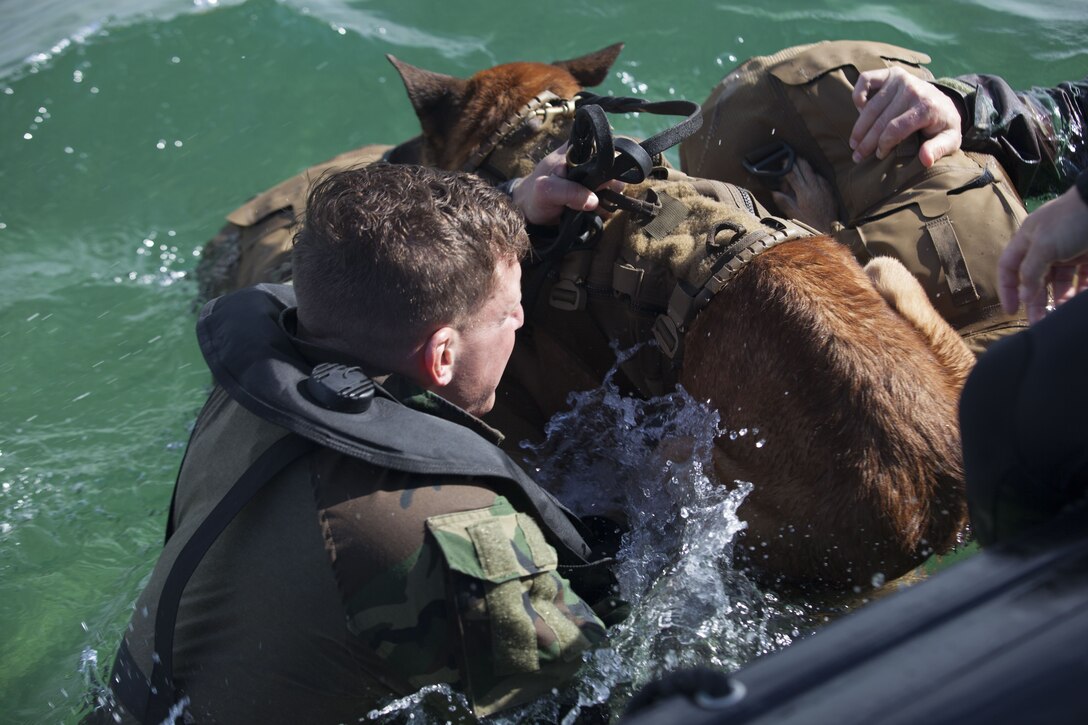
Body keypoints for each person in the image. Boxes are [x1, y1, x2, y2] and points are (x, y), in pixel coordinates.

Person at [93, 161, 622, 724]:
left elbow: (384, 272)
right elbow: (588, 695)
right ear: (442, 355)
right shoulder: (452, 532)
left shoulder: (254, 381)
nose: (520, 318)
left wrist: (519, 209)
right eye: (506, 312)